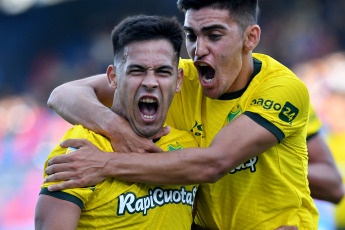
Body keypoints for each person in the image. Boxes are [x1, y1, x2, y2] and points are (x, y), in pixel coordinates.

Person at [45, 0, 319, 229]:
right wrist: (117, 131)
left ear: (251, 38)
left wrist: (106, 164)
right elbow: (63, 94)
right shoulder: (176, 78)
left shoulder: (283, 88)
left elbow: (214, 164)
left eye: (214, 35)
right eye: (191, 35)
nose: (198, 50)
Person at [35, 15, 200, 230]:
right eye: (136, 70)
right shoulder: (81, 148)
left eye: (162, 72)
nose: (150, 82)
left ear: (178, 81)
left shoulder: (187, 145)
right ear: (113, 78)